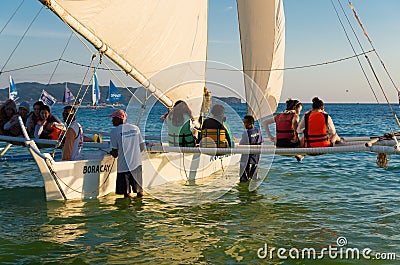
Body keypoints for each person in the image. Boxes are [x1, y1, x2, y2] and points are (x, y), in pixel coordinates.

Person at [109, 109, 144, 198]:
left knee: (126, 194)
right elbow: (142, 146)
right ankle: (140, 210)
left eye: (113, 118)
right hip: (137, 165)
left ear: (120, 119)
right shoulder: (135, 128)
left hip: (123, 167)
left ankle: (127, 211)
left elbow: (115, 153)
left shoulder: (114, 132)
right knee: (140, 192)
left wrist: (111, 153)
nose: (112, 121)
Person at [239, 115, 263, 182]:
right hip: (255, 159)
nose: (244, 124)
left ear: (251, 123)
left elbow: (241, 145)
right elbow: (259, 142)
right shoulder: (258, 131)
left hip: (246, 159)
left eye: (245, 123)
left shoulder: (246, 133)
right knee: (254, 179)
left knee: (243, 180)